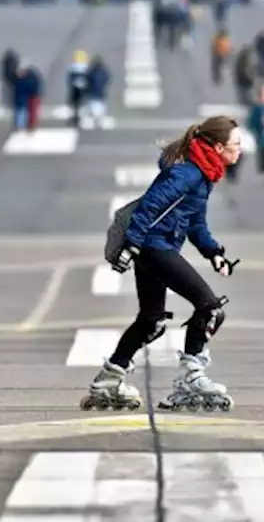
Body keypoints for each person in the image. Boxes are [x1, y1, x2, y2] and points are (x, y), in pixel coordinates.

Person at [86, 116, 242, 412]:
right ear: (219, 147)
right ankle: (192, 378)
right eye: (236, 144)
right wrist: (132, 243)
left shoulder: (203, 173)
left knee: (151, 319)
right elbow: (151, 205)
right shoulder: (189, 174)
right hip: (154, 247)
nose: (241, 150)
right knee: (210, 308)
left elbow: (195, 222)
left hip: (155, 246)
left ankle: (110, 377)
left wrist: (213, 252)